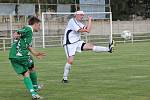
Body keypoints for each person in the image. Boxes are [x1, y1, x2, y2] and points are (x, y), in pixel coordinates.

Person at [62, 11, 114, 83]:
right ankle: (64, 78)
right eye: (80, 15)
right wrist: (86, 28)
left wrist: (90, 20)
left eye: (82, 15)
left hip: (77, 42)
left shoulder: (79, 23)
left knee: (90, 46)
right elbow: (85, 30)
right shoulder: (72, 21)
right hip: (69, 43)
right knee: (70, 61)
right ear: (76, 15)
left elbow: (88, 30)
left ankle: (108, 49)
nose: (82, 16)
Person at [9, 16, 45, 99]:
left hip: (13, 56)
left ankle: (34, 91)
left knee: (27, 72)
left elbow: (28, 46)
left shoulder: (28, 34)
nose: (40, 27)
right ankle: (35, 89)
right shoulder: (29, 29)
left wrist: (36, 54)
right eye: (39, 25)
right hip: (21, 55)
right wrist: (16, 34)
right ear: (35, 24)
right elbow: (18, 32)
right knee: (30, 69)